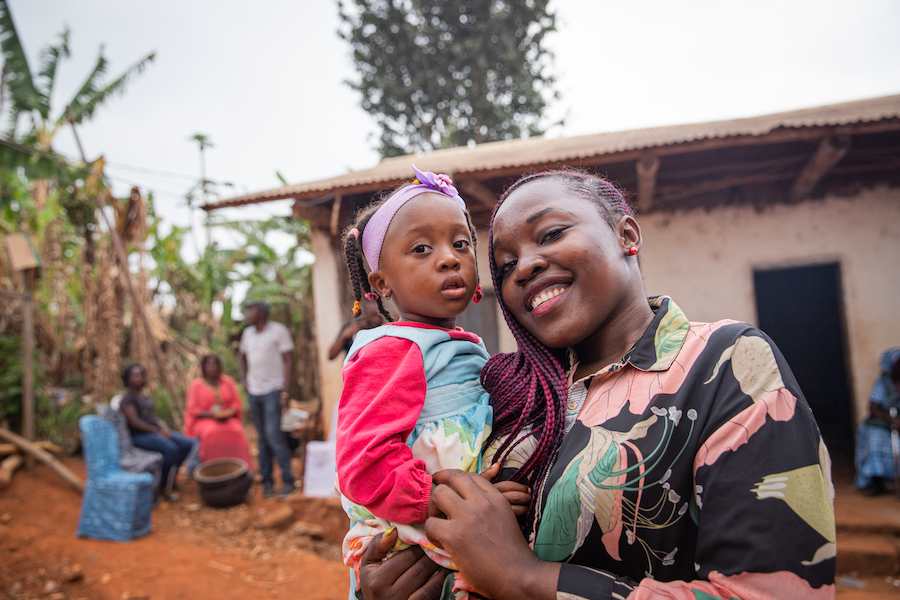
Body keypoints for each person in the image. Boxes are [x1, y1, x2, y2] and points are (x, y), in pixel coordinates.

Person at [359, 170, 836, 600]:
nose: (524, 267)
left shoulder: (721, 363)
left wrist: (521, 577)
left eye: (551, 234)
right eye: (505, 267)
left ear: (626, 233)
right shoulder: (510, 391)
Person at [336, 167, 529, 599]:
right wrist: (442, 498)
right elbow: (363, 462)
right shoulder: (392, 350)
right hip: (409, 533)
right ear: (381, 282)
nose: (448, 257)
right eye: (421, 248)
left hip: (457, 524)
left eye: (460, 243)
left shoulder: (461, 344)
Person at [239, 301, 296, 497]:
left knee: (273, 435)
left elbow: (288, 360)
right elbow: (242, 356)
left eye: (250, 310)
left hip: (273, 390)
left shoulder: (278, 331)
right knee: (262, 438)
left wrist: (285, 391)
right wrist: (244, 380)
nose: (247, 314)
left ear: (262, 313)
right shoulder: (247, 334)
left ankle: (288, 481)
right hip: (254, 392)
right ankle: (267, 483)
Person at [119, 363, 197, 502]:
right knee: (171, 449)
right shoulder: (127, 399)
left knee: (188, 444)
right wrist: (157, 431)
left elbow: (152, 418)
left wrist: (162, 428)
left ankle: (170, 479)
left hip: (154, 432)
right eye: (135, 375)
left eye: (141, 375)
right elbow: (134, 422)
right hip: (139, 436)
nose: (139, 378)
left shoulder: (144, 396)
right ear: (127, 379)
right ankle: (163, 487)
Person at [184, 354, 253, 469]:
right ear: (203, 367)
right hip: (204, 420)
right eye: (209, 365)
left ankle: (240, 467)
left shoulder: (228, 382)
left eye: (215, 364)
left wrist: (229, 412)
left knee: (237, 431)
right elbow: (192, 409)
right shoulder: (196, 385)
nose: (212, 367)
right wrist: (212, 415)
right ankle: (213, 469)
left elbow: (236, 403)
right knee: (211, 433)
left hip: (227, 419)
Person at [855, 348, 900, 495]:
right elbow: (873, 407)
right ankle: (875, 481)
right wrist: (891, 419)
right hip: (882, 422)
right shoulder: (883, 383)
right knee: (876, 439)